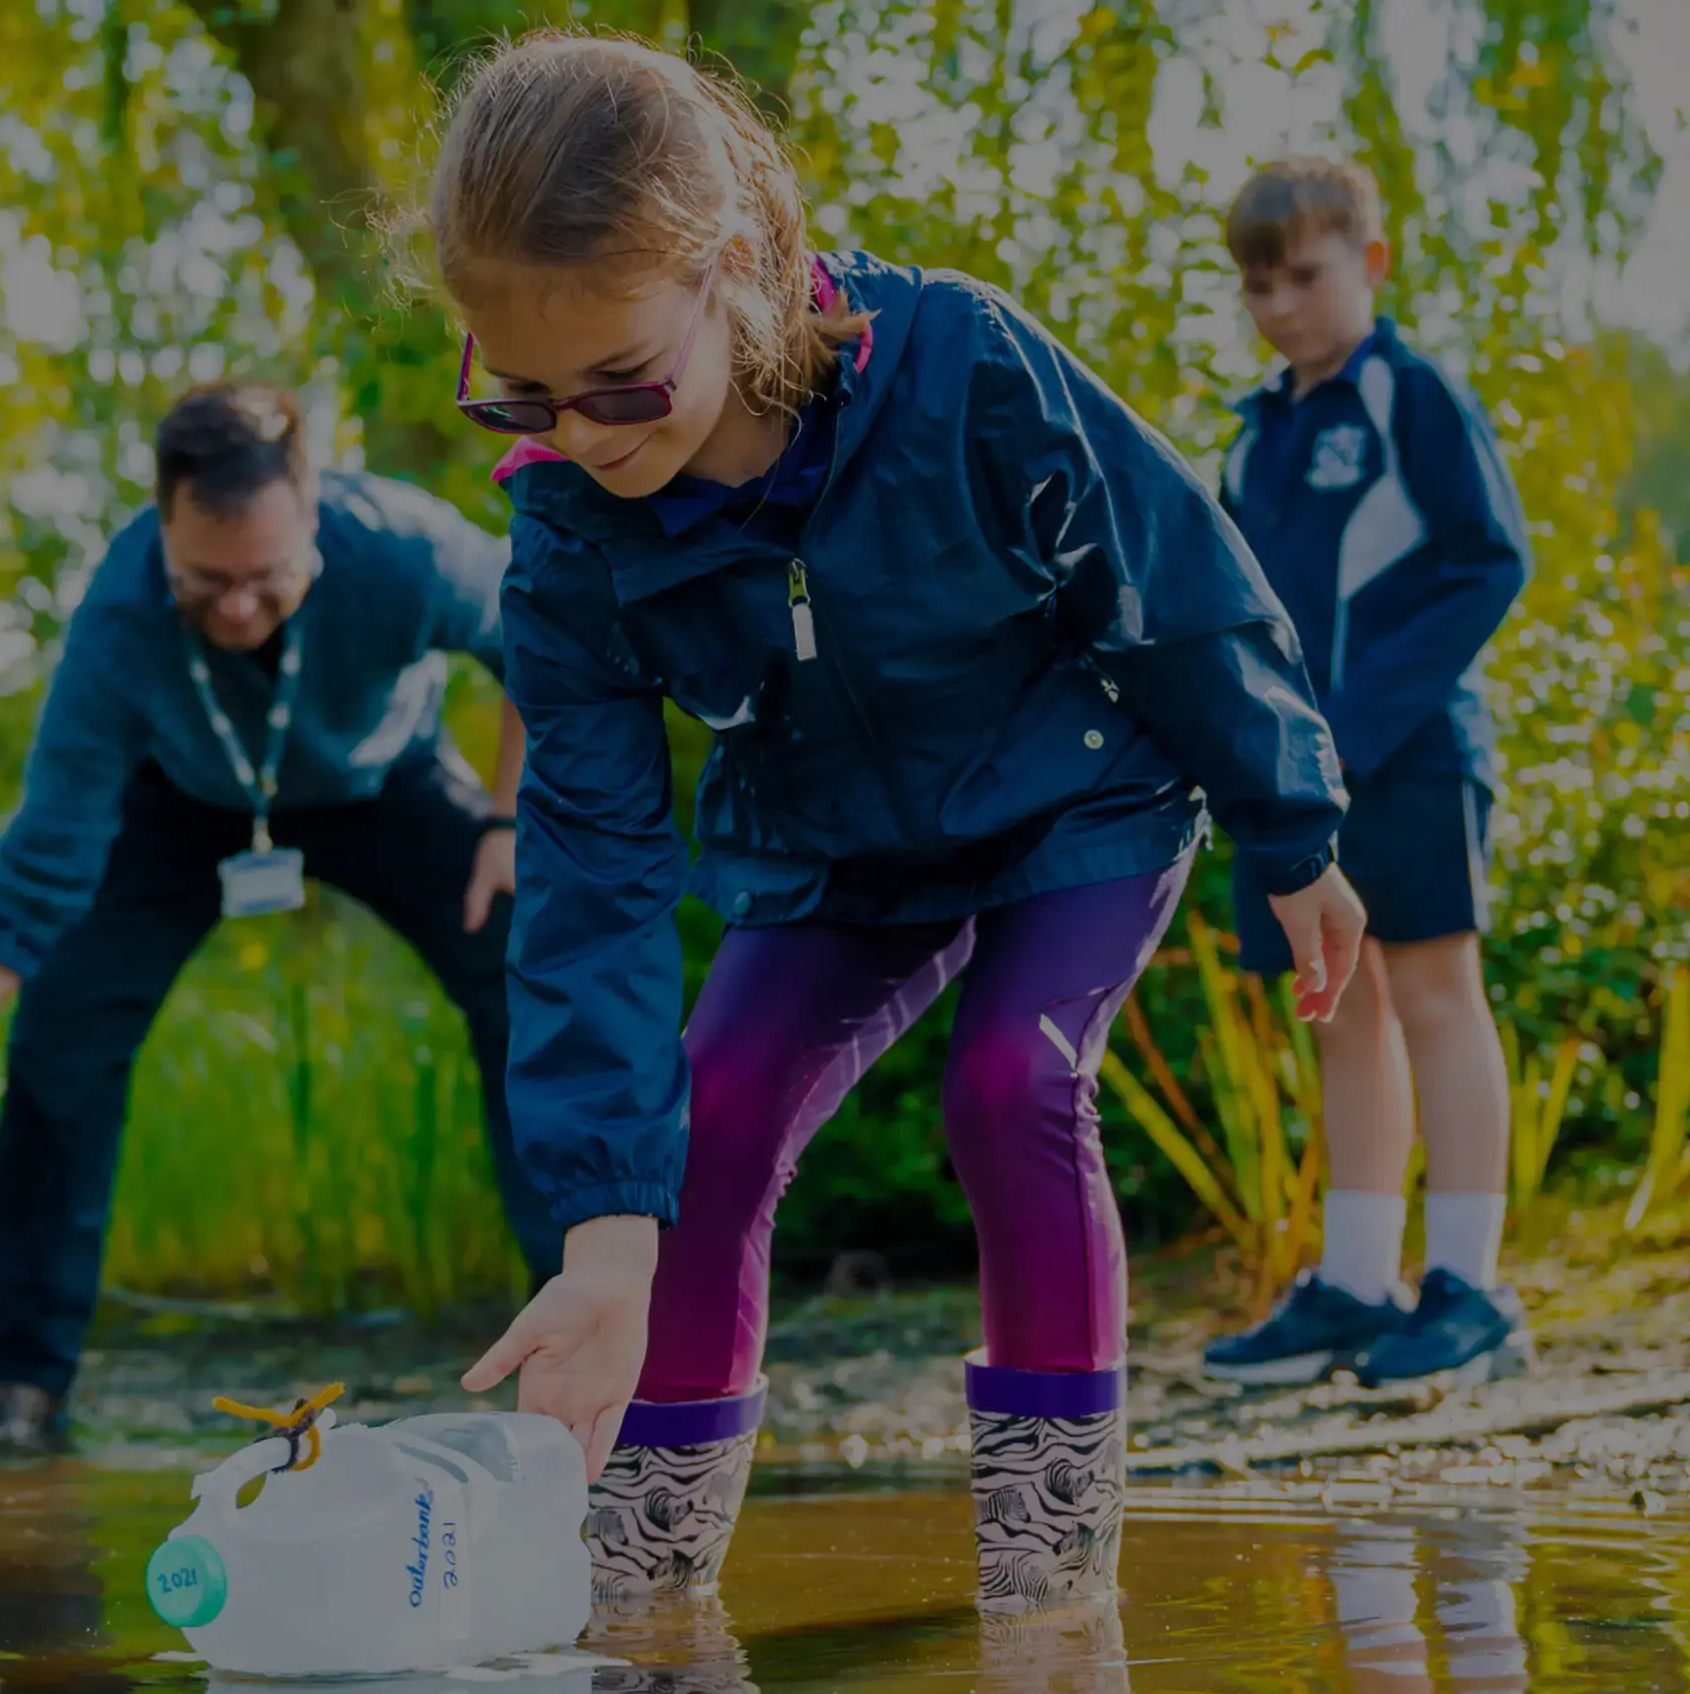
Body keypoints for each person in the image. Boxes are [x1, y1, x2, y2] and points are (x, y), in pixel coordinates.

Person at [416, 32, 1367, 1611]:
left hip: (1077, 797)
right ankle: (653, 1587)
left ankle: (1049, 1585)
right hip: (832, 852)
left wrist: (1292, 827)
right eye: (519, 392)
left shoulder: (961, 364)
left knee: (1014, 1081)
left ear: (731, 268)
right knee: (705, 1114)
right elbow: (589, 867)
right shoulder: (571, 531)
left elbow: (1173, 579)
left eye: (619, 383)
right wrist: (600, 1226)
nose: (578, 434)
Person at [0, 382, 563, 1451]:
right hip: (184, 800)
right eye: (205, 581)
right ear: (163, 523)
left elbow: (539, 632)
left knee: (526, 956)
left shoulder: (402, 546)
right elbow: (38, 866)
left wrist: (506, 820)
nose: (238, 609)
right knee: (64, 1033)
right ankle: (17, 1383)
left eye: (266, 579)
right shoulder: (120, 622)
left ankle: (584, 1312)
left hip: (382, 777)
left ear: (311, 509)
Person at [1200, 160, 1532, 1391]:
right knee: (1335, 1008)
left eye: (1304, 274)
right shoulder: (1253, 431)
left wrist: (1350, 727)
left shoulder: (1409, 394)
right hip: (1290, 784)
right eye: (1256, 282)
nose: (1279, 303)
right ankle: (1351, 1282)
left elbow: (1487, 559)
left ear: (1370, 265)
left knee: (1435, 993)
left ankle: (1467, 1282)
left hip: (1409, 757)